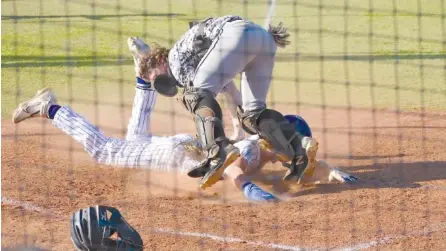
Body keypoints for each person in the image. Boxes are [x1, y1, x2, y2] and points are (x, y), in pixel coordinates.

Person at [11, 37, 356, 203]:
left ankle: (143, 76)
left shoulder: (260, 143)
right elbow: (232, 168)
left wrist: (333, 172)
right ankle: (50, 108)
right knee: (104, 151)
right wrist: (248, 189)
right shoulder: (256, 150)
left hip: (182, 148)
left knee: (136, 135)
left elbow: (302, 160)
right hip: (174, 155)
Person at [137, 15, 319, 189]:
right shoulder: (200, 65)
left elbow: (200, 97)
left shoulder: (173, 61)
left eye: (153, 77)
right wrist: (238, 130)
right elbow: (232, 94)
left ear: (160, 60)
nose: (156, 83)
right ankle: (299, 146)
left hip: (235, 35)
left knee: (194, 96)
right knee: (251, 115)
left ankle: (217, 152)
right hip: (263, 40)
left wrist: (207, 141)